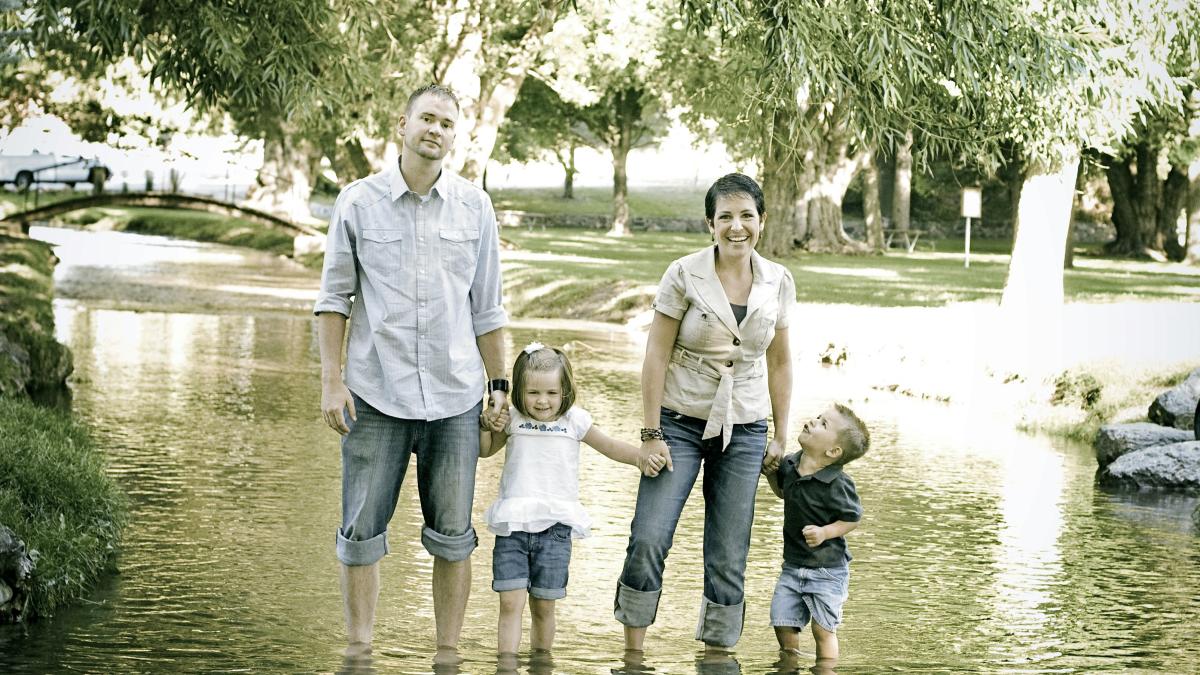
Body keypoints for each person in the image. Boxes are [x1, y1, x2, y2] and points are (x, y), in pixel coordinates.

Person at [313, 83, 509, 657]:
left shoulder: (476, 207)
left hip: (455, 399)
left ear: (455, 135)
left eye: (448, 123)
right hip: (375, 395)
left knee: (454, 538)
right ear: (401, 125)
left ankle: (446, 655)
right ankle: (360, 652)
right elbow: (333, 300)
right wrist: (331, 380)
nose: (436, 130)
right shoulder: (357, 202)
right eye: (427, 118)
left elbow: (489, 308)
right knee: (360, 533)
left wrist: (499, 389)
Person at [615, 172, 796, 651]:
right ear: (709, 224)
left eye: (746, 216)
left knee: (728, 553)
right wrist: (651, 432)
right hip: (677, 420)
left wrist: (780, 434)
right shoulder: (683, 273)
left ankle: (718, 656)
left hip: (746, 424)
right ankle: (632, 655)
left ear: (762, 221)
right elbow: (655, 354)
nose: (737, 227)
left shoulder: (778, 280)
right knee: (649, 537)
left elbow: (779, 360)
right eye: (725, 218)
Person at [479, 342, 666, 656]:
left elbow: (608, 446)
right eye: (533, 393)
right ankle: (506, 665)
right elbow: (484, 450)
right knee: (510, 602)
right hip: (513, 526)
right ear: (519, 391)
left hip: (555, 529)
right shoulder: (511, 418)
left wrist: (640, 458)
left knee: (543, 607)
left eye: (552, 393)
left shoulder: (574, 421)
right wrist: (486, 423)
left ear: (565, 391)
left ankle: (540, 663)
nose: (542, 401)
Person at [764, 403, 869, 662]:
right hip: (793, 564)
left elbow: (852, 519)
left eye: (823, 424)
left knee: (823, 628)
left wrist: (825, 532)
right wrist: (770, 476)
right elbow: (784, 493)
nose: (812, 421)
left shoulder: (838, 484)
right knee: (782, 620)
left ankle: (825, 669)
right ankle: (789, 663)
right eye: (818, 417)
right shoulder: (790, 463)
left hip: (827, 569)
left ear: (833, 451)